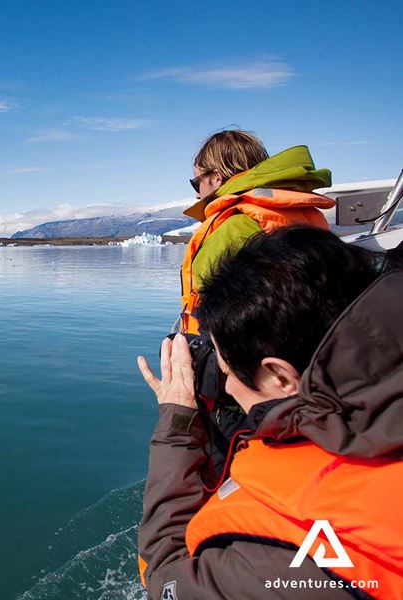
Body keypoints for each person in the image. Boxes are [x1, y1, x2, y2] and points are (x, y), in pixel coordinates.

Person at [136, 227, 403, 599]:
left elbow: (166, 580)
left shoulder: (279, 561)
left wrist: (178, 422)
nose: (228, 387)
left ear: (280, 376)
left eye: (227, 372)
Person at [180, 130, 334, 335]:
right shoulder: (295, 214)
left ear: (216, 178)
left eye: (196, 183)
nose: (197, 194)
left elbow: (223, 316)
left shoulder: (232, 229)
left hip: (239, 349)